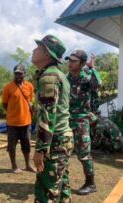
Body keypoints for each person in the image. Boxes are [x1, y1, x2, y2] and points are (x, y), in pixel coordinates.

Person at [32, 34, 74, 203]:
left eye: (39, 47)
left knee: (46, 192)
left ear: (47, 54)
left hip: (54, 142)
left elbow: (48, 115)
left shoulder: (49, 77)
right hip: (63, 138)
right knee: (62, 187)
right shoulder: (59, 74)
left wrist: (41, 149)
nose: (34, 50)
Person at [66, 50, 102, 195]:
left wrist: (92, 68)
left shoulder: (87, 78)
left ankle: (91, 183)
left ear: (81, 63)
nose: (69, 63)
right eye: (69, 60)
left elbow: (97, 84)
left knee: (84, 154)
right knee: (63, 151)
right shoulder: (66, 79)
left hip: (81, 120)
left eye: (73, 61)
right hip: (67, 120)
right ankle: (62, 181)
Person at [2, 64, 36, 174]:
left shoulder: (29, 86)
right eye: (16, 73)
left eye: (20, 73)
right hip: (12, 123)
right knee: (12, 146)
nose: (18, 75)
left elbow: (31, 101)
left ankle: (28, 165)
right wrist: (13, 113)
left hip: (26, 122)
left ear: (24, 74)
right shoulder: (8, 87)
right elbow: (5, 104)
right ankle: (14, 166)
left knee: (27, 145)